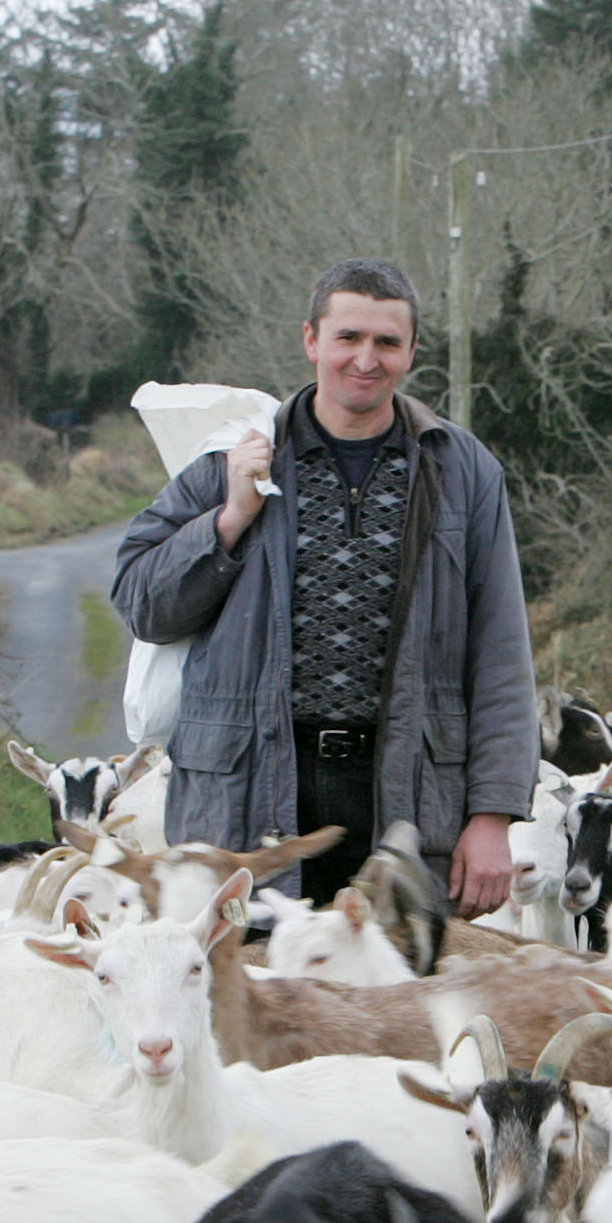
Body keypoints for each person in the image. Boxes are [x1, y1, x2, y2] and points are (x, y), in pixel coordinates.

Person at [112, 258, 536, 913]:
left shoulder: (464, 471)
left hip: (408, 800)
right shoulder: (233, 461)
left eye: (387, 342)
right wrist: (228, 522)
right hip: (251, 803)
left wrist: (494, 816)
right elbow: (141, 605)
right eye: (348, 338)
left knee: (396, 1006)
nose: (366, 359)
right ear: (312, 340)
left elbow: (502, 654)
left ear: (412, 352)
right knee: (256, 998)